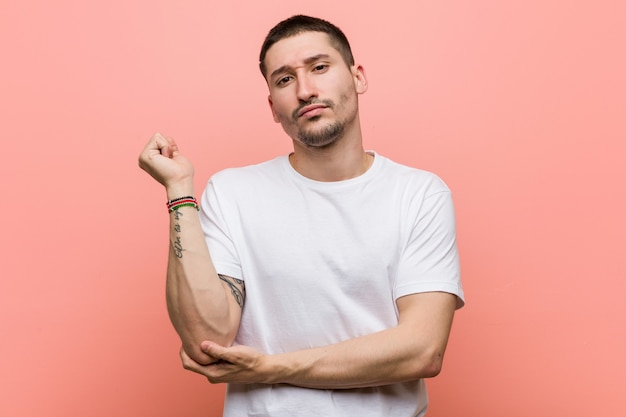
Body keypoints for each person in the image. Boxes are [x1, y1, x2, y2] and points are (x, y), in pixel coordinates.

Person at [138, 14, 464, 417]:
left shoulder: (418, 194)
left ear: (357, 77)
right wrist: (179, 191)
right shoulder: (233, 193)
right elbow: (207, 338)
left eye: (320, 68)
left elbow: (423, 351)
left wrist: (271, 368)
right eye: (285, 79)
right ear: (273, 106)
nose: (305, 90)